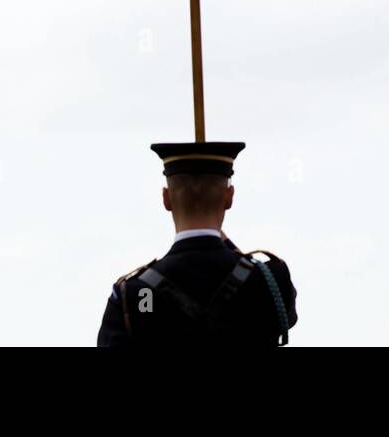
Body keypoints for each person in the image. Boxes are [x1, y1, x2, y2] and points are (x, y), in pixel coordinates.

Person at [97, 141, 297, 347]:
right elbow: (287, 317)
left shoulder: (135, 294)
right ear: (229, 197)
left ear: (166, 199)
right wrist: (230, 247)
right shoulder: (269, 280)